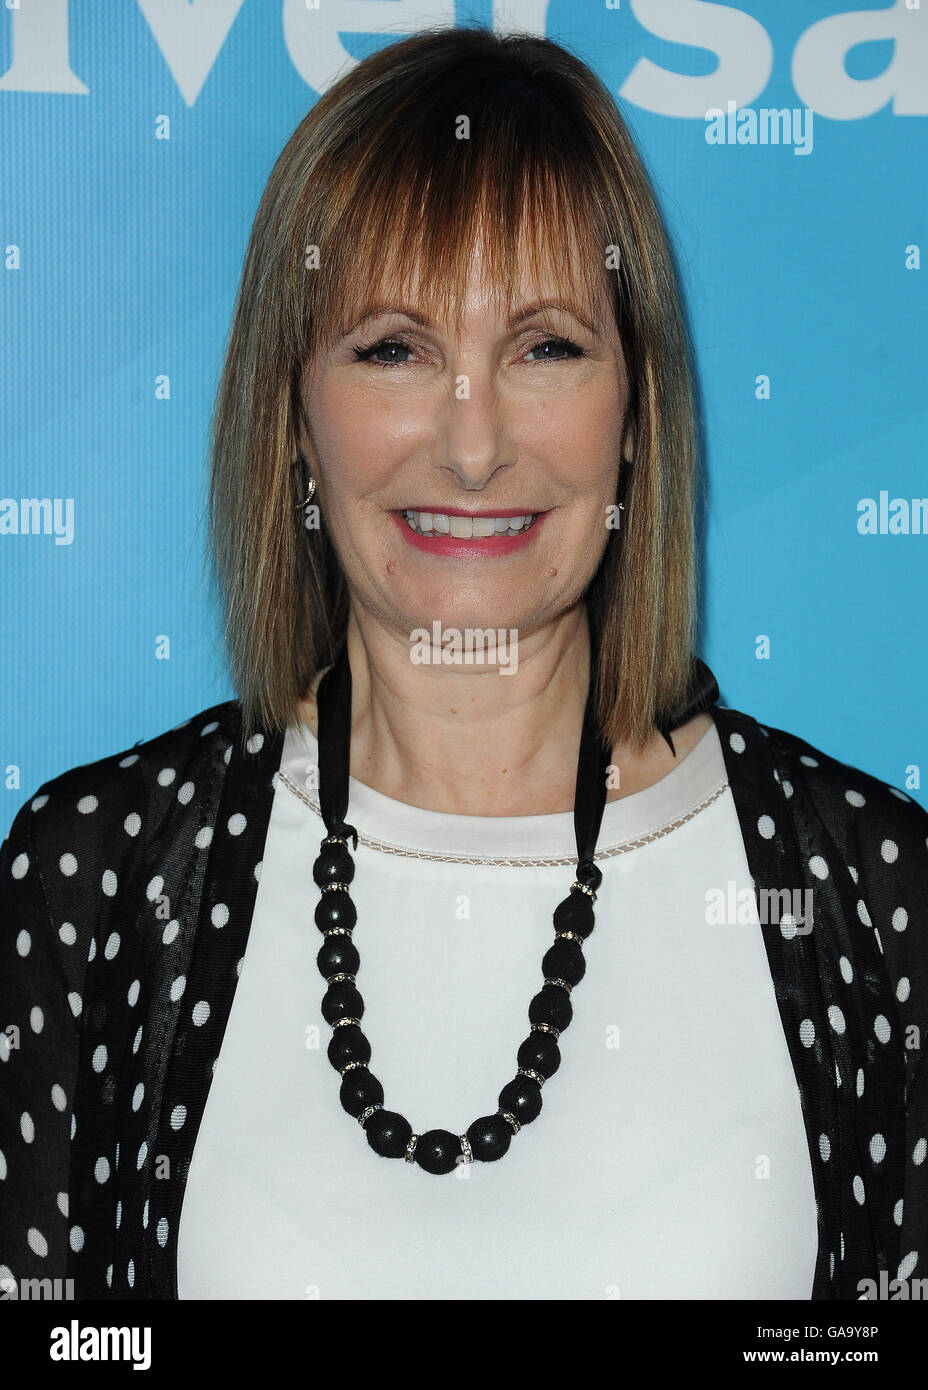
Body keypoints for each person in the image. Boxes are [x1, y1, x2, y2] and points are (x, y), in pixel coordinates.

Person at [1, 25, 925, 1302]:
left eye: (545, 346)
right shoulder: (96, 876)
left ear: (638, 410)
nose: (474, 442)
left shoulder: (867, 891)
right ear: (293, 416)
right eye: (394, 348)